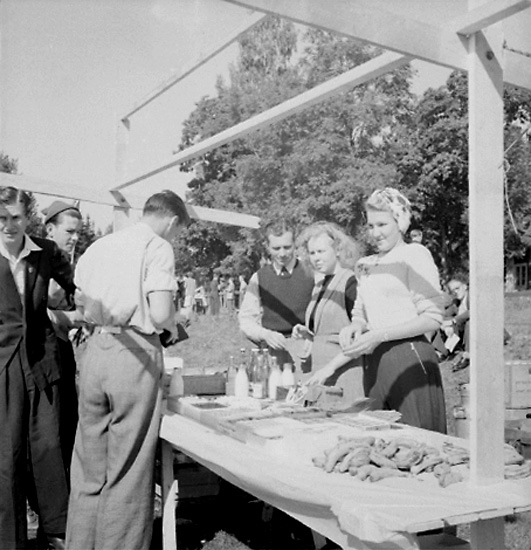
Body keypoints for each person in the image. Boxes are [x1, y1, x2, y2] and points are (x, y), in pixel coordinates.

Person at [66, 190, 190, 550]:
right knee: (129, 468)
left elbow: (80, 301)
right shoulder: (157, 246)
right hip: (133, 354)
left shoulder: (100, 246)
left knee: (89, 466)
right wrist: (176, 322)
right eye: (178, 231)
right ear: (172, 221)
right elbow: (161, 312)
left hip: (95, 350)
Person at [0, 186, 75, 550]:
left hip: (41, 361)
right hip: (3, 366)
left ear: (27, 218)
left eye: (16, 217)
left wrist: (74, 308)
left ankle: (58, 532)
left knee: (48, 448)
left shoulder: (45, 252)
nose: (9, 225)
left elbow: (75, 289)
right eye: (2, 218)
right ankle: (9, 541)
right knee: (8, 455)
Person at [339, 187, 447, 433]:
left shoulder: (414, 254)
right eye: (370, 226)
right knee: (379, 439)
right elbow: (361, 312)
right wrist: (355, 326)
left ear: (400, 222)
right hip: (374, 362)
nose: (375, 233)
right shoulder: (365, 265)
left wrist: (380, 335)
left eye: (382, 224)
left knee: (418, 438)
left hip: (409, 358)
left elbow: (432, 318)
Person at [292, 222, 364, 403]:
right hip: (320, 376)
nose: (316, 258)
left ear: (337, 250)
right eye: (312, 253)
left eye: (321, 251)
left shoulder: (350, 282)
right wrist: (308, 334)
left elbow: (361, 336)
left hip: (344, 376)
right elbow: (327, 328)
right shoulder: (319, 286)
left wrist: (330, 367)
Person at [238, 219, 314, 369]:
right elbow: (246, 320)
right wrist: (265, 334)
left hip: (306, 350)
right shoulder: (259, 278)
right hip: (273, 353)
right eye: (276, 248)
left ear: (295, 244)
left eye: (287, 247)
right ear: (267, 247)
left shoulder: (312, 273)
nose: (282, 253)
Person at [43, 200, 84, 468]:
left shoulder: (68, 265)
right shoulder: (36, 264)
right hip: (44, 356)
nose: (75, 238)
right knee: (52, 428)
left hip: (64, 352)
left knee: (68, 423)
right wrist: (73, 318)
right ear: (50, 230)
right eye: (69, 231)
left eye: (78, 232)